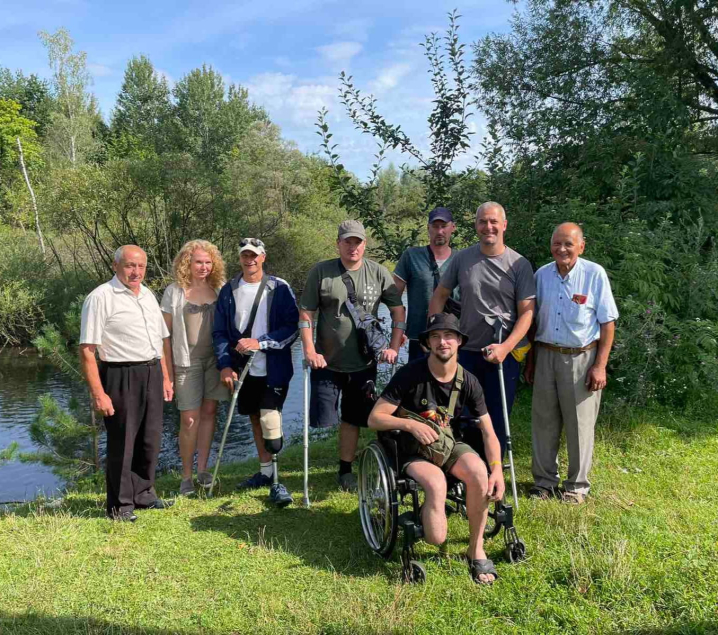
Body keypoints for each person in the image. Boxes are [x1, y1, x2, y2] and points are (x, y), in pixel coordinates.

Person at [369, 313, 505, 585]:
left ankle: (476, 549)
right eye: (435, 337)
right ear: (427, 343)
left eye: (449, 336)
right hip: (411, 450)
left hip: (447, 445)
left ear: (459, 342)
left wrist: (497, 469)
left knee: (479, 473)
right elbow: (375, 418)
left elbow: (489, 432)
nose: (443, 342)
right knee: (436, 515)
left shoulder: (469, 381)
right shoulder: (410, 374)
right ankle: (427, 519)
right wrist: (408, 425)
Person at [299, 219, 406, 492]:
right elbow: (306, 313)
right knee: (324, 419)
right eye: (347, 241)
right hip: (326, 361)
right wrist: (310, 350)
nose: (352, 246)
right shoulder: (321, 272)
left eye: (357, 241)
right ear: (338, 243)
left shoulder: (379, 273)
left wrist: (393, 346)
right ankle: (340, 461)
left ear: (364, 244)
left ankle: (345, 469)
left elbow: (397, 311)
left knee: (354, 417)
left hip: (364, 362)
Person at [428, 202, 536, 454]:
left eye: (494, 221)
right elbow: (440, 294)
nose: (488, 227)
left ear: (504, 225)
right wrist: (436, 335)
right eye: (483, 221)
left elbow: (527, 314)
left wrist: (506, 348)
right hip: (465, 354)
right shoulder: (462, 259)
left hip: (502, 356)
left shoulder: (519, 264)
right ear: (476, 225)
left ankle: (494, 476)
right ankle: (467, 473)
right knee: (464, 418)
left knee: (497, 420)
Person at [524, 223, 618, 504]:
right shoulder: (542, 275)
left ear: (581, 246)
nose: (562, 249)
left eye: (568, 244)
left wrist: (600, 365)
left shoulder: (594, 274)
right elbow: (534, 322)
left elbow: (608, 323)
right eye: (556, 244)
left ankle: (576, 486)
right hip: (545, 355)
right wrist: (531, 361)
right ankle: (543, 483)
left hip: (582, 358)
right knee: (543, 422)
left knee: (580, 424)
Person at [79, 245, 174, 522]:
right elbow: (87, 351)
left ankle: (143, 494)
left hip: (152, 371)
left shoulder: (147, 295)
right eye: (130, 265)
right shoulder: (100, 297)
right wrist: (99, 394)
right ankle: (119, 506)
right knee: (123, 441)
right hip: (120, 375)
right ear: (115, 265)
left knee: (150, 438)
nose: (136, 272)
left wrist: (166, 377)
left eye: (141, 266)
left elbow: (160, 340)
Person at [213, 238, 298, 507]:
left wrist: (260, 342)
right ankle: (265, 472)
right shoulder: (229, 290)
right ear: (239, 259)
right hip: (243, 369)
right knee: (253, 418)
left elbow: (292, 328)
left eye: (254, 255)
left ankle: (277, 482)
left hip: (274, 367)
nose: (249, 260)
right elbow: (220, 332)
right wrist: (225, 364)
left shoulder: (279, 287)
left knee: (270, 418)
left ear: (263, 257)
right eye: (244, 256)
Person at [160, 240, 228, 496]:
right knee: (189, 419)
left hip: (216, 363)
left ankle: (202, 470)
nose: (203, 267)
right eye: (198, 261)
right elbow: (163, 336)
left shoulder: (220, 289)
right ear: (187, 262)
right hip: (186, 363)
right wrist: (166, 374)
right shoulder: (174, 291)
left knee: (210, 413)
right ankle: (186, 476)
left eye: (208, 262)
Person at [393, 207, 460, 361]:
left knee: (452, 383)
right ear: (428, 228)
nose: (440, 231)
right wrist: (398, 331)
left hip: (452, 338)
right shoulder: (411, 256)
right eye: (435, 226)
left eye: (444, 226)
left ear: (452, 228)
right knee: (419, 383)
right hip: (419, 338)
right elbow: (394, 299)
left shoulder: (461, 259)